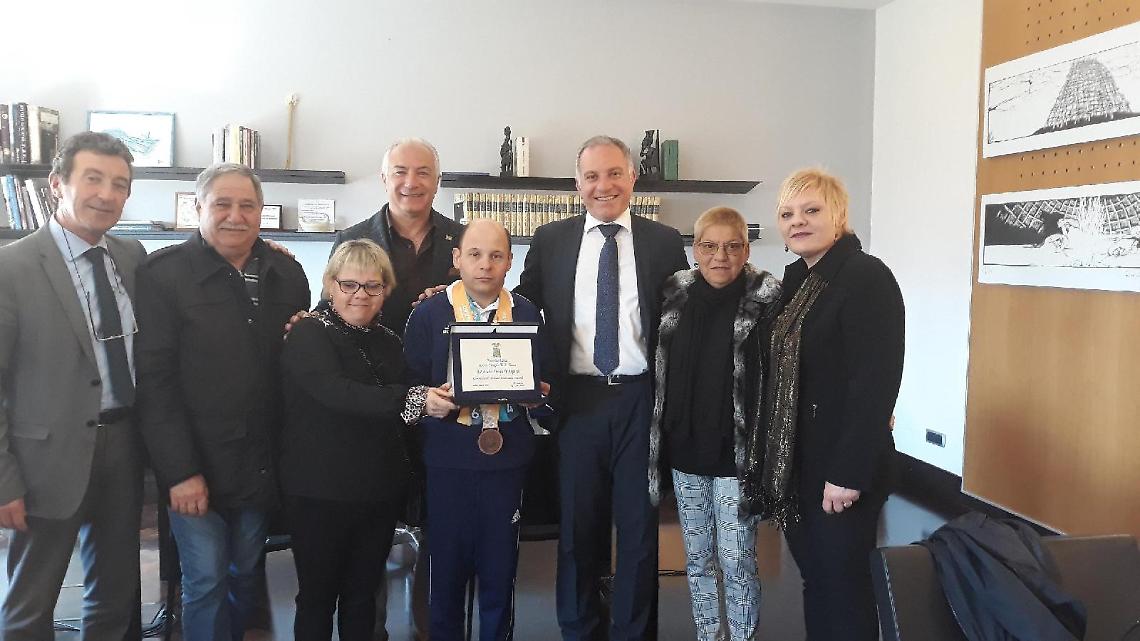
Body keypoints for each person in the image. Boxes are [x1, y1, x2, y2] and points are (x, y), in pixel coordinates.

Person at [514, 135, 689, 641]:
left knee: (639, 531)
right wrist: (456, 293)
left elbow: (686, 314)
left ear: (632, 178)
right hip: (577, 401)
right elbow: (519, 307)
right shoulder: (551, 240)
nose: (603, 185)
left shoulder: (663, 241)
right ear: (578, 184)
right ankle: (579, 629)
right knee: (578, 529)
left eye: (614, 173)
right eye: (591, 176)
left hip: (640, 400)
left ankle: (634, 632)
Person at [135, 162, 311, 641]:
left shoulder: (286, 272)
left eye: (247, 205)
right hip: (196, 463)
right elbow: (155, 383)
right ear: (198, 208)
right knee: (206, 580)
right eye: (222, 204)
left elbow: (295, 365)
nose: (236, 216)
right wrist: (180, 472)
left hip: (260, 463)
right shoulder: (163, 274)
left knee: (246, 573)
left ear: (261, 211)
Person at [744, 168, 904, 641]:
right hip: (799, 465)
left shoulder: (865, 276)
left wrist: (848, 473)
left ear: (839, 216)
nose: (798, 221)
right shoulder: (797, 281)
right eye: (787, 214)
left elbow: (874, 383)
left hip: (841, 467)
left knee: (845, 587)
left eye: (811, 210)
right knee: (816, 580)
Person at [0, 132, 144, 640]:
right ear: (57, 184)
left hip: (124, 445)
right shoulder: (11, 267)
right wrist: (3, 481)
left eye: (120, 184)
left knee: (115, 595)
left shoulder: (132, 256)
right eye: (93, 179)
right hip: (43, 461)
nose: (107, 194)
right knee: (30, 604)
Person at [402, 218, 550, 641]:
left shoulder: (526, 313)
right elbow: (406, 384)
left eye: (496, 255)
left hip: (507, 457)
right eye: (475, 254)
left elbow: (546, 381)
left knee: (500, 569)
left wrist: (538, 396)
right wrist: (426, 399)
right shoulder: (429, 313)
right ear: (457, 259)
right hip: (448, 457)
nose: (485, 264)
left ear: (510, 261)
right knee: (446, 568)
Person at [648, 207, 779, 641]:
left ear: (747, 250)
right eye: (709, 246)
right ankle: (708, 633)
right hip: (685, 450)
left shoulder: (767, 303)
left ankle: (742, 635)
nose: (720, 256)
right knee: (698, 557)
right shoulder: (673, 295)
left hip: (735, 455)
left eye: (732, 246)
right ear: (695, 250)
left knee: (737, 558)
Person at [280, 239, 410, 641]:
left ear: (386, 289)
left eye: (372, 285)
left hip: (377, 492)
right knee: (317, 598)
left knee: (362, 597)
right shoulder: (307, 333)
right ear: (330, 285)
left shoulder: (390, 340)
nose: (360, 295)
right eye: (349, 284)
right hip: (319, 493)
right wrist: (413, 399)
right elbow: (338, 394)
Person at [333, 138, 463, 336]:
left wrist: (455, 298)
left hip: (443, 353)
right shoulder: (351, 240)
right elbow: (330, 308)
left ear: (437, 182)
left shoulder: (465, 239)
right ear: (384, 179)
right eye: (400, 172)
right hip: (369, 353)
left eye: (423, 173)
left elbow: (487, 303)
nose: (411, 183)